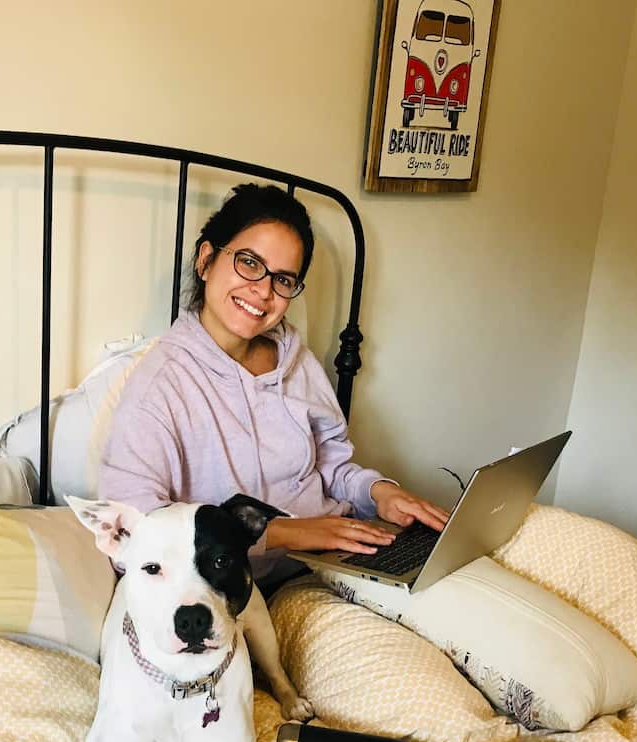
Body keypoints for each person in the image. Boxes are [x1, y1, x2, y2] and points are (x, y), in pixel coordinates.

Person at [98, 183, 448, 587]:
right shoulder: (161, 386)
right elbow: (135, 527)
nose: (263, 291)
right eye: (249, 263)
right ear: (207, 259)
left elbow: (330, 466)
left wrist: (379, 492)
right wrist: (287, 532)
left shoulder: (294, 358)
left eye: (283, 279)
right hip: (269, 585)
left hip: (343, 556)